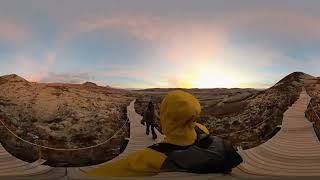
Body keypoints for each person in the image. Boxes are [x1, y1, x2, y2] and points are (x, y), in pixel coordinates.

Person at [87, 90, 241, 177]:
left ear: (167, 118)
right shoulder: (202, 128)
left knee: (150, 129)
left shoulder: (153, 156)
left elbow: (97, 176)